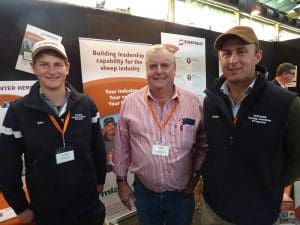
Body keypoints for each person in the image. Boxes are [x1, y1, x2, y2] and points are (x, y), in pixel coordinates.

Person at [200, 25, 300, 225]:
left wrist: (270, 187)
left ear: (258, 56)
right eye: (226, 53)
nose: (232, 60)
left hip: (259, 214)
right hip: (214, 209)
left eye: (242, 51)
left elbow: (296, 160)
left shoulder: (286, 104)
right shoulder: (211, 100)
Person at [0, 40, 107, 225]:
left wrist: (100, 181)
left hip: (89, 207)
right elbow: (7, 166)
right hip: (48, 213)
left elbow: (98, 148)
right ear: (34, 67)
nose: (52, 71)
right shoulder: (18, 112)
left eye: (58, 64)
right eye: (44, 64)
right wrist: (20, 207)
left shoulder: (86, 104)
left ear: (67, 67)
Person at [112, 44, 207, 225]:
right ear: (146, 69)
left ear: (174, 69)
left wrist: (196, 176)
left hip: (181, 193)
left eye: (165, 66)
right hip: (145, 192)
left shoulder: (193, 103)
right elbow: (121, 146)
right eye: (153, 66)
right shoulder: (130, 102)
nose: (159, 71)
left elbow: (203, 143)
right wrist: (121, 182)